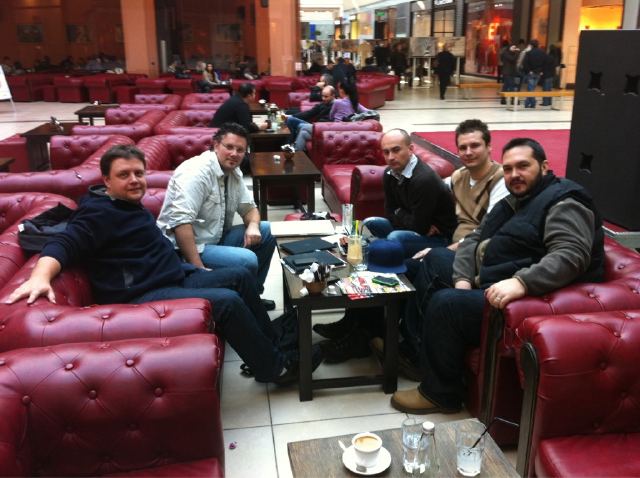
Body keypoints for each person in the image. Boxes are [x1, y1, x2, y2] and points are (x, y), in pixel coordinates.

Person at [5, 144, 321, 385]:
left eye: (138, 173)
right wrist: (40, 275)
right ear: (106, 180)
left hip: (171, 276)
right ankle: (273, 368)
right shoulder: (98, 213)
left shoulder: (126, 204)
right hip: (140, 294)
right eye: (124, 175)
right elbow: (64, 243)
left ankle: (272, 344)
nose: (134, 180)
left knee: (240, 275)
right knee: (227, 302)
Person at [390, 137, 605, 414]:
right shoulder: (516, 200)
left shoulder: (564, 201)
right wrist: (462, 280)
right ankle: (417, 354)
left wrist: (521, 282)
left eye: (523, 166)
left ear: (544, 167)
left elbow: (570, 255)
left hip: (528, 297)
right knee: (434, 258)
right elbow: (473, 239)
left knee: (446, 304)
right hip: (493, 276)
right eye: (508, 168)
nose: (514, 174)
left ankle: (440, 393)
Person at [156, 123, 277, 310]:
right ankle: (246, 302)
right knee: (247, 259)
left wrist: (253, 226)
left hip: (215, 238)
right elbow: (181, 224)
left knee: (266, 230)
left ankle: (252, 297)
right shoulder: (196, 173)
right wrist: (198, 269)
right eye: (229, 147)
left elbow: (249, 209)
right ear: (216, 145)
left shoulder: (233, 172)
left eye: (240, 150)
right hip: (188, 248)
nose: (234, 154)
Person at [362, 129, 457, 258]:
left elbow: (419, 228)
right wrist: (403, 216)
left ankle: (384, 256)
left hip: (439, 238)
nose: (390, 157)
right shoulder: (389, 173)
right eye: (386, 152)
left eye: (396, 150)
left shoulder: (423, 179)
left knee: (395, 238)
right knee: (369, 223)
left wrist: (398, 212)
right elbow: (389, 211)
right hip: (415, 229)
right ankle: (379, 253)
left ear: (410, 149)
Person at [291, 82, 369, 151]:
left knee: (301, 126)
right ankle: (296, 153)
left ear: (342, 90)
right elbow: (369, 112)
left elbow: (331, 115)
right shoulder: (356, 104)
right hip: (343, 131)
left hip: (334, 130)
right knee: (304, 133)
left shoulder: (337, 102)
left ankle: (292, 150)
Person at [285, 86, 336, 150]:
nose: (323, 98)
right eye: (322, 96)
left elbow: (334, 121)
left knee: (300, 126)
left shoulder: (336, 106)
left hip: (322, 128)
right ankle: (291, 148)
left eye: (326, 97)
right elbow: (309, 113)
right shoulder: (323, 103)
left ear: (333, 96)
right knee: (295, 124)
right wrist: (291, 116)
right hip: (314, 126)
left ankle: (289, 146)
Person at [522, 39, 546, 108]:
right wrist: (542, 71)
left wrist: (528, 71)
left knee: (530, 88)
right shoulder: (542, 52)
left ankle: (532, 103)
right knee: (532, 88)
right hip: (538, 73)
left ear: (531, 45)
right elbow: (545, 62)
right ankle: (528, 103)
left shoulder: (529, 53)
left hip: (531, 73)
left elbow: (525, 63)